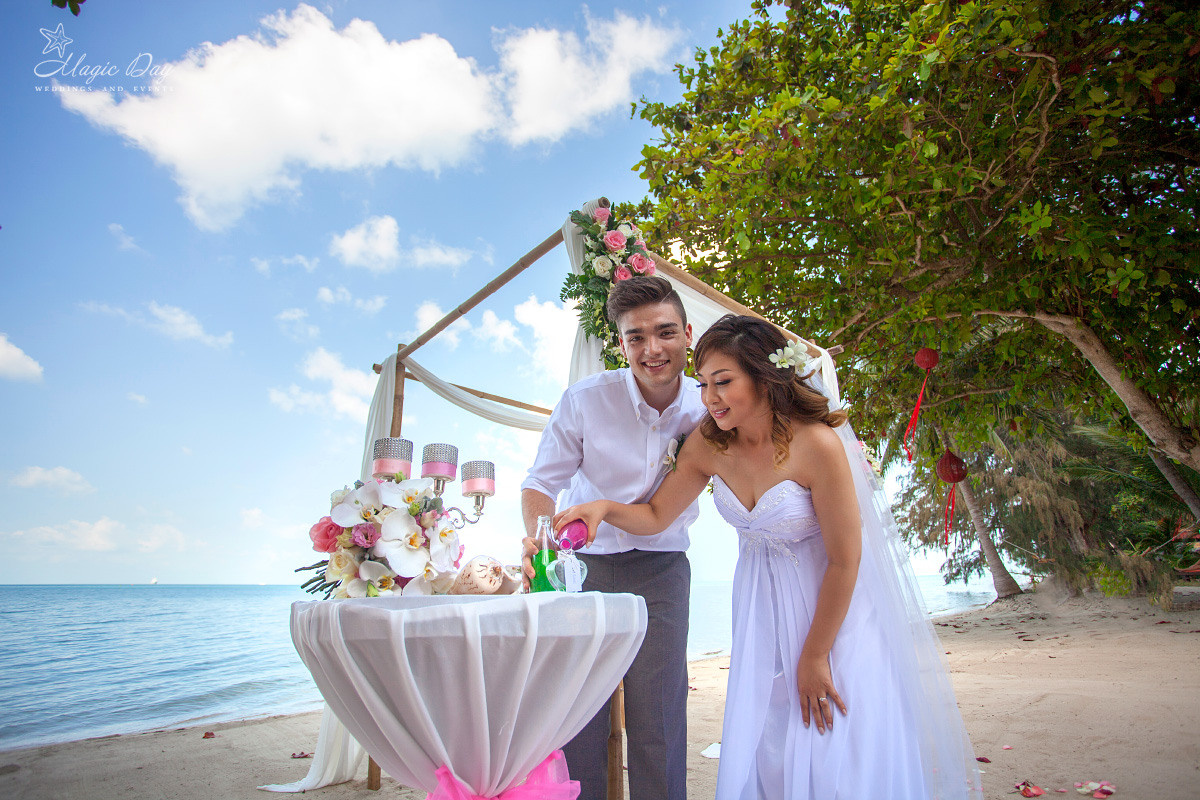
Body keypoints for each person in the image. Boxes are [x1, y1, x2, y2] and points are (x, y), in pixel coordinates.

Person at [554, 315, 983, 800]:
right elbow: (655, 515)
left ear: (763, 377)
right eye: (704, 385)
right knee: (770, 737)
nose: (710, 398)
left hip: (830, 610)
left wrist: (817, 654)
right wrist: (604, 509)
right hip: (760, 610)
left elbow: (846, 559)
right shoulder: (709, 445)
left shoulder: (816, 445)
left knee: (831, 739)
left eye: (723, 382)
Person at [520, 275, 705, 800]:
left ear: (688, 333)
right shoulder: (584, 400)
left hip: (664, 567)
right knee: (579, 712)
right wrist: (536, 536)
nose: (652, 349)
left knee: (661, 710)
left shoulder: (706, 405)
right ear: (619, 343)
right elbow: (540, 482)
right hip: (585, 567)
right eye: (635, 337)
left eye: (665, 332)